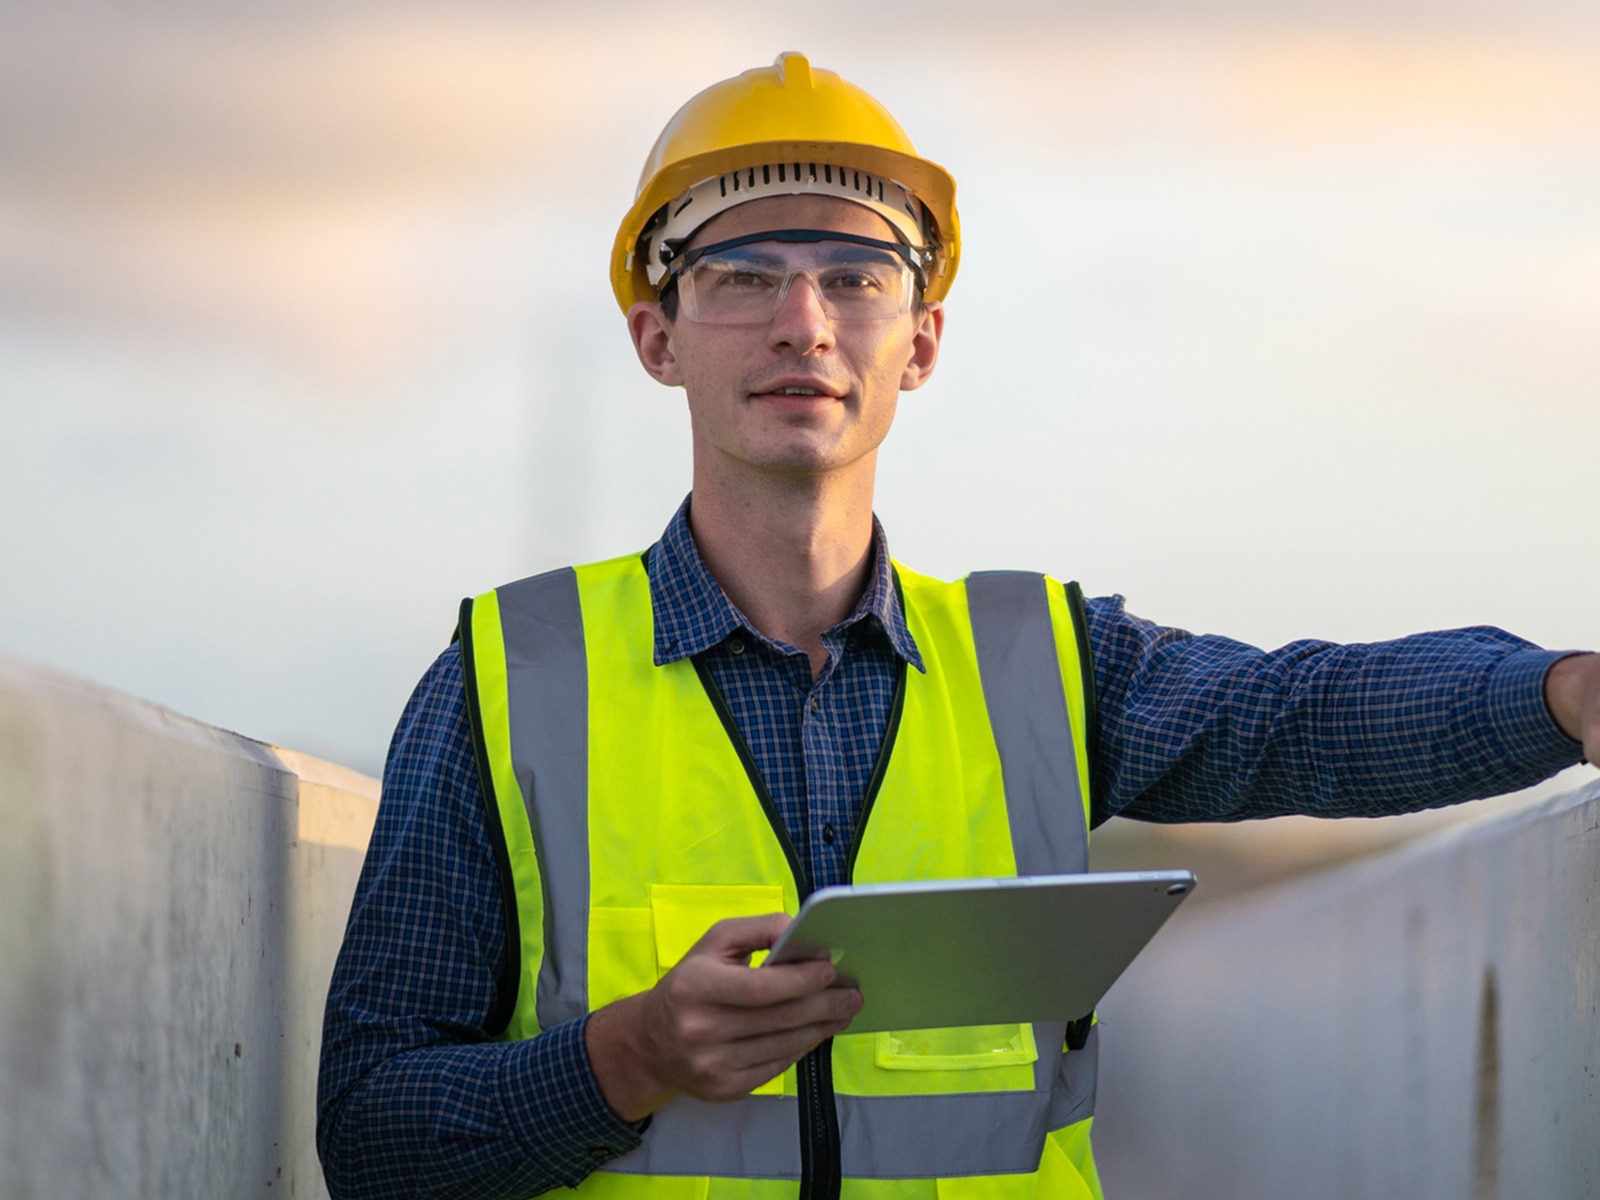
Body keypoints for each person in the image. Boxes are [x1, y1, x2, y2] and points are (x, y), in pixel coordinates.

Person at [316, 53, 1597, 1200]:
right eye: (741, 277)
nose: (802, 323)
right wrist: (626, 1055)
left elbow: (1298, 717)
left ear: (919, 341)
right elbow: (372, 1137)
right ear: (657, 339)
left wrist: (1562, 693)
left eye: (855, 279)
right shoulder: (510, 682)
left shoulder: (1039, 666)